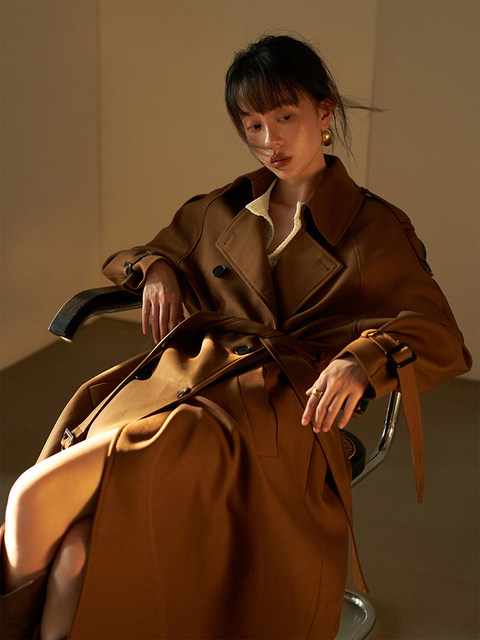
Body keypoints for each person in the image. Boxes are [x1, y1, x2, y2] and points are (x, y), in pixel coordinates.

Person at [0, 34, 471, 640]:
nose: (270, 140)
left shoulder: (375, 228)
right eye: (253, 125)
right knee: (74, 555)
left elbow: (438, 333)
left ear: (324, 114)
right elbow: (131, 257)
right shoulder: (222, 208)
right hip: (185, 382)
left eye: (285, 117)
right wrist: (158, 268)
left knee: (32, 496)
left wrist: (364, 359)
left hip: (274, 414)